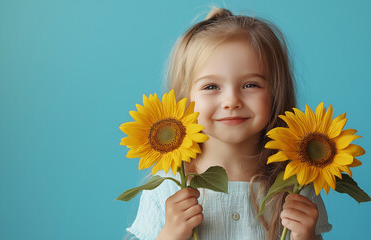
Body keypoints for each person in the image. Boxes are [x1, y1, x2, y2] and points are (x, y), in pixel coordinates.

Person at [126, 7, 332, 240]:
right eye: (211, 87)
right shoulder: (168, 188)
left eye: (250, 85)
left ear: (275, 92)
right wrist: (171, 234)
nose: (231, 101)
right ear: (185, 98)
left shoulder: (296, 183)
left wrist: (305, 235)